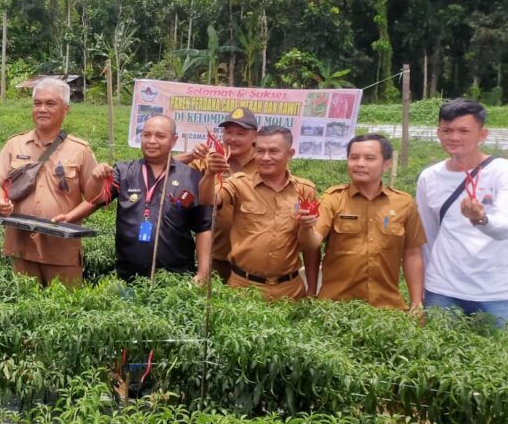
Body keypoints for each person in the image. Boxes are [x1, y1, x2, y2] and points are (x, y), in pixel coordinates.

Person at [415, 98, 508, 331]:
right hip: (443, 290)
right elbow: (428, 236)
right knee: (438, 361)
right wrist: (424, 288)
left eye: (464, 130)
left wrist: (480, 218)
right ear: (438, 133)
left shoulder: (505, 172)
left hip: (497, 292)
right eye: (447, 130)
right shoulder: (429, 177)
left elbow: (505, 228)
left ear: (482, 134)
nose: (454, 137)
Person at [61, 115, 212, 282]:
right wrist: (96, 179)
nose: (151, 141)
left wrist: (203, 272)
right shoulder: (124, 171)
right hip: (128, 277)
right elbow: (95, 198)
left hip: (177, 279)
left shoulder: (191, 177)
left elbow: (203, 227)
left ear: (174, 140)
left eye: (160, 136)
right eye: (146, 135)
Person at [0, 78, 98, 287]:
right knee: (25, 306)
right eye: (37, 103)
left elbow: (96, 198)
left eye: (50, 104)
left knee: (65, 310)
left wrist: (72, 217)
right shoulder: (15, 144)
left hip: (61, 248)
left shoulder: (80, 150)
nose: (42, 109)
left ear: (66, 109)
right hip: (21, 245)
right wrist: (0, 201)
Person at [298, 134, 425, 311]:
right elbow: (312, 242)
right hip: (336, 307)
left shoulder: (403, 203)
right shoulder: (333, 199)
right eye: (354, 157)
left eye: (369, 158)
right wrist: (305, 226)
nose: (360, 163)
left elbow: (413, 253)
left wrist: (416, 302)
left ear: (386, 165)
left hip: (387, 308)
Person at [199, 125, 320, 300]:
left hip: (290, 291)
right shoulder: (239, 184)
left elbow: (311, 248)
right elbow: (208, 199)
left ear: (290, 154)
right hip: (243, 289)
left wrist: (312, 290)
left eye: (273, 151)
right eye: (260, 151)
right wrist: (210, 174)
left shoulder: (305, 190)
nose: (265, 157)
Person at [179, 106, 260, 281]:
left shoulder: (265, 163)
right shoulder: (209, 159)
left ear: (255, 136)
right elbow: (165, 167)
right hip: (214, 254)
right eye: (228, 132)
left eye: (241, 133)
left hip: (251, 258)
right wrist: (191, 156)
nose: (233, 138)